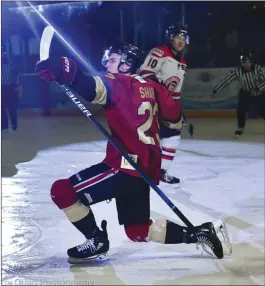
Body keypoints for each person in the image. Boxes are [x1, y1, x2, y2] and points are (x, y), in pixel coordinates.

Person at [36, 44, 230, 264]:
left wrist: (63, 68)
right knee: (137, 230)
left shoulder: (118, 83)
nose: (106, 64)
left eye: (112, 59)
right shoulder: (153, 87)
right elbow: (174, 120)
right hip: (145, 169)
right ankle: (199, 233)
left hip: (123, 166)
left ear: (126, 63)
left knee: (61, 191)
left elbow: (90, 87)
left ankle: (96, 240)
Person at [139, 24, 189, 186]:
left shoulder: (182, 62)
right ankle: (134, 171)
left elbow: (175, 91)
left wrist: (178, 109)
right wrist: (160, 95)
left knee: (172, 139)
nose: (181, 41)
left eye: (184, 37)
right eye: (178, 37)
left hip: (167, 105)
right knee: (145, 139)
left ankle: (161, 172)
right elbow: (145, 73)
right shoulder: (159, 52)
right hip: (152, 102)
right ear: (170, 37)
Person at [211, 51, 265, 138]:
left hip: (258, 93)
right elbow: (226, 80)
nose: (246, 64)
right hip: (245, 92)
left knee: (262, 112)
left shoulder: (257, 69)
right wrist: (215, 90)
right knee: (241, 110)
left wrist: (257, 88)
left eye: (248, 62)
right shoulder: (238, 71)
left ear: (251, 61)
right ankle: (240, 127)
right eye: (244, 62)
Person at [1, 48, 20, 132]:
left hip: (10, 88)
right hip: (2, 88)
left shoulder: (10, 64)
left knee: (12, 108)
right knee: (2, 109)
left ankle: (13, 124)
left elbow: (16, 75)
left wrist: (16, 86)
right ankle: (4, 126)